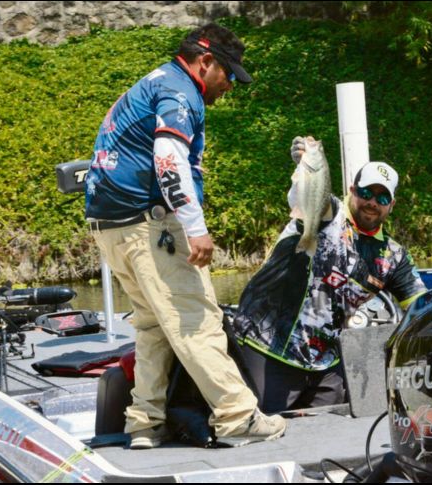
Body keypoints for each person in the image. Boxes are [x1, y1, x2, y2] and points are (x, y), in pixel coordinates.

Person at [84, 23, 285, 449]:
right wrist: (196, 229)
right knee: (197, 321)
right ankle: (237, 414)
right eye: (228, 73)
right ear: (205, 61)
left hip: (110, 226)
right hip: (149, 224)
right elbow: (168, 159)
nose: (230, 85)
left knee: (154, 327)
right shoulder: (180, 93)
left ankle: (143, 423)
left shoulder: (155, 81)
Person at [232, 136, 428, 412]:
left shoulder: (393, 256)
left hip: (325, 363)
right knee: (256, 428)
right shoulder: (329, 212)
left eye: (382, 197)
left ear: (391, 205)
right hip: (268, 348)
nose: (372, 202)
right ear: (352, 190)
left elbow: (422, 305)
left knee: (333, 433)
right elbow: (304, 196)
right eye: (366, 193)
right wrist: (304, 163)